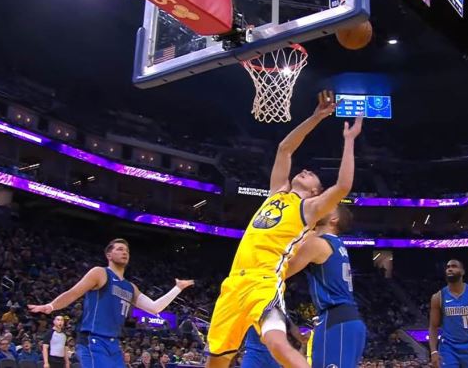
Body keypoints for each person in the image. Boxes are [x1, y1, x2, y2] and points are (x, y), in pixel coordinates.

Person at [206, 90, 363, 368]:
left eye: (312, 176)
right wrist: (316, 117)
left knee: (277, 344)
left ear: (315, 192)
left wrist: (349, 141)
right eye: (305, 171)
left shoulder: (309, 209)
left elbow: (342, 186)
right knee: (216, 361)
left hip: (264, 283)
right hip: (233, 284)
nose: (305, 171)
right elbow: (284, 148)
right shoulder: (277, 192)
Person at [28, 238, 194, 368]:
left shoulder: (130, 287)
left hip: (113, 343)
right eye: (120, 249)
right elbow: (73, 293)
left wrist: (177, 288)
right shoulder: (100, 273)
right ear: (108, 255)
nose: (125, 252)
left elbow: (155, 308)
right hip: (93, 340)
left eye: (127, 250)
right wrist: (51, 306)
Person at [286, 205, 367, 367]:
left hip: (336, 320)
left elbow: (281, 271)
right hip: (345, 320)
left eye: (330, 206)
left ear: (334, 220)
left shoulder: (318, 244)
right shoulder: (336, 244)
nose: (323, 204)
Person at [429, 260, 468, 368]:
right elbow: (433, 326)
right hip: (448, 348)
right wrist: (433, 351)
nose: (450, 269)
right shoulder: (438, 297)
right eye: (448, 267)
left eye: (454, 266)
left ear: (462, 271)